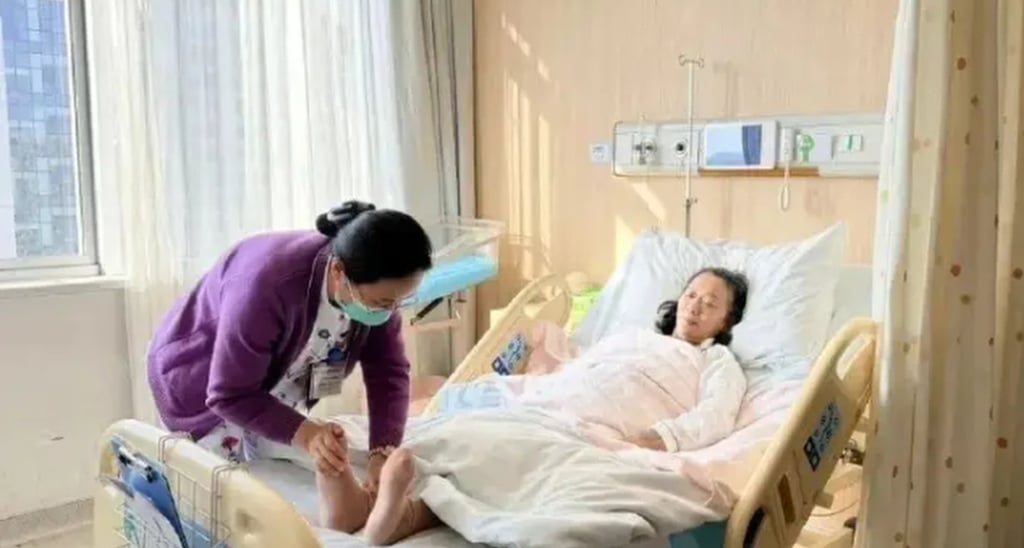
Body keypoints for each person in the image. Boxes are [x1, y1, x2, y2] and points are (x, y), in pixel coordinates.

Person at [326, 266, 750, 545]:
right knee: (477, 433)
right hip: (554, 402)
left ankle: (406, 512)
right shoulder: (630, 336)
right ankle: (375, 502)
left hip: (600, 426)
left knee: (513, 456)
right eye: (692, 294)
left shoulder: (717, 361)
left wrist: (662, 437)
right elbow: (583, 367)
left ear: (727, 321)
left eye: (710, 303)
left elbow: (715, 415)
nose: (695, 306)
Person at [147, 200, 431, 495]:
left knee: (272, 467)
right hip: (198, 377)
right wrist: (306, 433)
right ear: (337, 271)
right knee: (215, 496)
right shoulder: (266, 286)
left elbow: (389, 372)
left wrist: (382, 451)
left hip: (265, 379)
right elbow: (229, 394)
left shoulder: (376, 287)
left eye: (401, 301)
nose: (392, 311)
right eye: (383, 303)